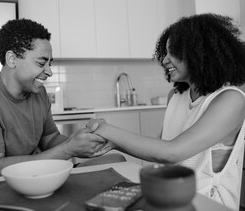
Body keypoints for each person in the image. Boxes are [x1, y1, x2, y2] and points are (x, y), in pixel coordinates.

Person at [86, 13, 245, 209]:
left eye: (173, 52)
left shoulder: (231, 99)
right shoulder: (176, 96)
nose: (165, 60)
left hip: (206, 202)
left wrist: (104, 129)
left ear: (200, 52)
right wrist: (112, 144)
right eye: (166, 53)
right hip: (168, 195)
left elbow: (171, 153)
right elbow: (159, 150)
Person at [0, 18, 125, 179]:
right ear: (12, 59)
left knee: (116, 160)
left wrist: (82, 140)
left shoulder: (38, 94)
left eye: (50, 63)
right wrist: (68, 149)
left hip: (42, 176)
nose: (49, 71)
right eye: (41, 64)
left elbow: (50, 139)